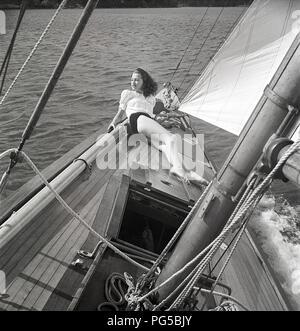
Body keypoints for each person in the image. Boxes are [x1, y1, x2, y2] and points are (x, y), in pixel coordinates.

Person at [108, 68, 208, 185]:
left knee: (165, 146)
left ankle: (187, 173)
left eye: (136, 80)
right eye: (132, 80)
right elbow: (120, 113)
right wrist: (113, 125)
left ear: (144, 81)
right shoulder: (128, 94)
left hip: (144, 126)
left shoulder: (150, 98)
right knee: (171, 138)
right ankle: (179, 169)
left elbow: (152, 115)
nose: (133, 83)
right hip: (138, 119)